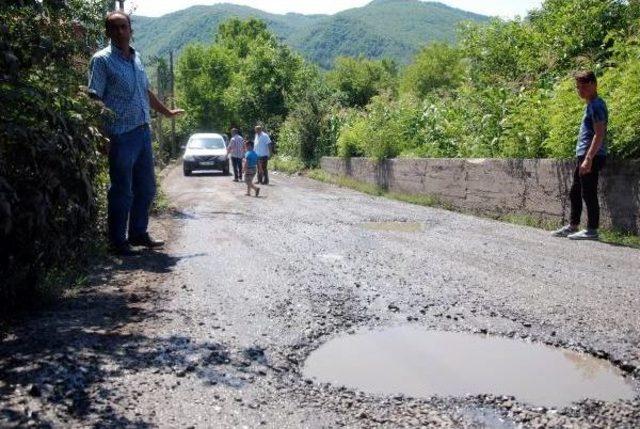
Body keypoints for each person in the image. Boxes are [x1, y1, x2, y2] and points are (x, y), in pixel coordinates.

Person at [88, 11, 184, 256]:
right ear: (107, 32)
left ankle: (138, 234)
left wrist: (167, 112)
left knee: (147, 188)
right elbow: (94, 98)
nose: (120, 31)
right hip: (120, 134)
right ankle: (117, 242)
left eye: (124, 27)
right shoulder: (102, 60)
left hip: (142, 133)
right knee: (122, 190)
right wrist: (101, 135)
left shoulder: (137, 57)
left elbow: (146, 92)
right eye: (114, 28)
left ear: (131, 30)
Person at [552, 70, 607, 241]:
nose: (580, 90)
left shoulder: (597, 105)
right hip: (585, 154)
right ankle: (573, 225)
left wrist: (589, 159)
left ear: (594, 84)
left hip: (592, 155)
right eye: (578, 87)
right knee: (575, 191)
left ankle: (592, 230)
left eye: (583, 86)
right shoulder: (590, 105)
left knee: (588, 192)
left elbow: (599, 134)